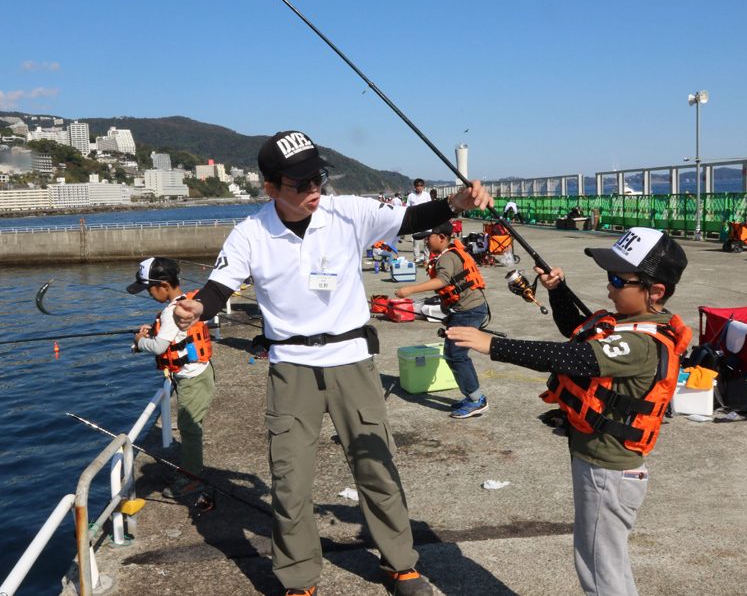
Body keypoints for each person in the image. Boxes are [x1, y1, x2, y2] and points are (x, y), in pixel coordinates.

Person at [173, 130, 493, 596]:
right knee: (289, 482)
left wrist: (457, 203)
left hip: (351, 360)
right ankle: (299, 579)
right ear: (270, 188)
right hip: (291, 367)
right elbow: (219, 288)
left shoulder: (348, 212)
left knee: (376, 468)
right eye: (300, 183)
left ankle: (400, 564)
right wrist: (197, 309)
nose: (313, 190)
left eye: (317, 177)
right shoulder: (250, 233)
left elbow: (412, 217)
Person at [447, 227, 691, 596]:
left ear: (655, 291)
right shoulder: (628, 323)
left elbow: (573, 358)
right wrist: (557, 291)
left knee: (599, 571)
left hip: (607, 473)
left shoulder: (640, 342)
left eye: (617, 279)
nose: (608, 287)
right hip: (603, 467)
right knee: (609, 563)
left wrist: (492, 345)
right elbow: (578, 333)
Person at [128, 257, 216, 503]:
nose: (149, 294)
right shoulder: (186, 303)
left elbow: (159, 347)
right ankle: (190, 469)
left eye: (149, 289)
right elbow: (175, 336)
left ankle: (193, 478)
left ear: (163, 286)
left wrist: (138, 342)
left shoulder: (169, 313)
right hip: (198, 374)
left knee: (189, 429)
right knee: (189, 427)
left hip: (193, 379)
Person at [394, 221, 490, 418]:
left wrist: (409, 290)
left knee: (456, 354)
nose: (426, 242)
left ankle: (476, 400)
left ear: (442, 237)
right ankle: (472, 397)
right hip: (464, 310)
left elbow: (443, 281)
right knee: (453, 352)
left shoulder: (447, 258)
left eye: (428, 238)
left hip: (470, 311)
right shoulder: (446, 255)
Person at [406, 179, 433, 262]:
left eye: (421, 185)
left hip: (426, 220)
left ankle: (426, 258)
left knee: (427, 241)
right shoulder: (411, 195)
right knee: (416, 241)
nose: (419, 187)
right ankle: (416, 257)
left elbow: (430, 206)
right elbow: (408, 207)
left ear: (423, 186)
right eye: (417, 185)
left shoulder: (426, 195)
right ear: (415, 186)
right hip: (416, 221)